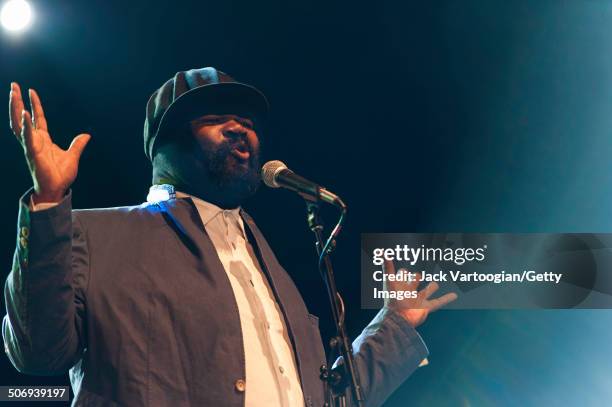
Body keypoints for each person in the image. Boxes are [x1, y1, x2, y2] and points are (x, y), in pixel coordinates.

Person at [3, 67, 457, 407]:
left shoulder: (274, 273)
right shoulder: (92, 234)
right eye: (216, 119)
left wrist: (394, 324)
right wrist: (48, 203)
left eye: (249, 123)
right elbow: (38, 352)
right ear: (166, 145)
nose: (241, 128)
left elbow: (323, 400)